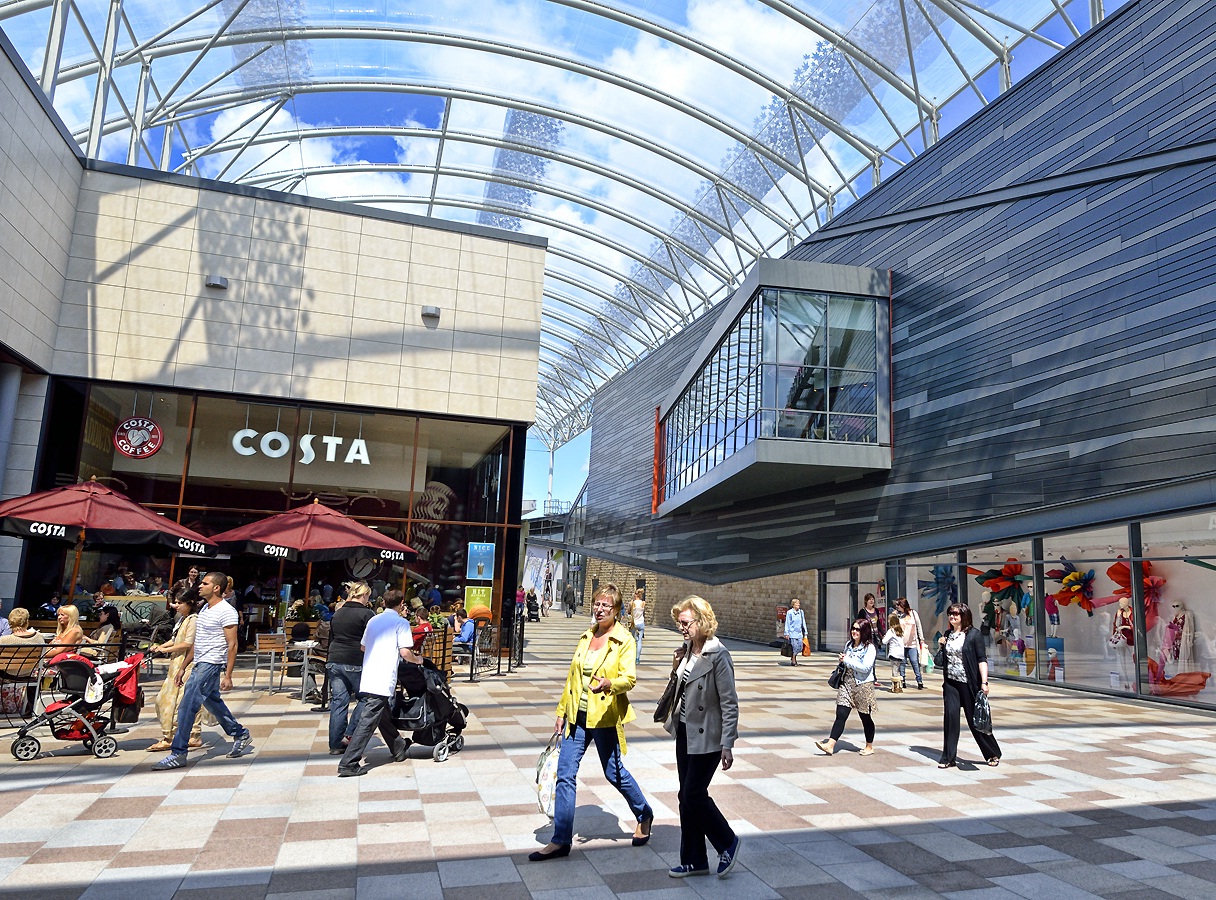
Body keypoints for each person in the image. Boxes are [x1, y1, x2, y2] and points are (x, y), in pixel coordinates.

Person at [529, 583, 653, 862]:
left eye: (605, 606)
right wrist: (561, 711)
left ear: (617, 611)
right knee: (565, 772)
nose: (599, 609)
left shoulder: (625, 640)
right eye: (596, 604)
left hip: (604, 715)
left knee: (613, 772)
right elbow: (572, 678)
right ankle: (560, 839)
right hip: (577, 716)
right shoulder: (586, 636)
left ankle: (644, 814)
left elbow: (629, 679)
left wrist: (610, 683)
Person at [665, 595, 740, 878]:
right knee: (685, 796)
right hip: (685, 731)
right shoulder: (685, 650)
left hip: (708, 734)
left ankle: (727, 842)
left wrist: (728, 743)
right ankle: (694, 860)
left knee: (693, 793)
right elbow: (679, 690)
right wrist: (675, 669)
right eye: (679, 623)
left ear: (701, 621)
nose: (681, 628)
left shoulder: (718, 656)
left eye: (685, 623)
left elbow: (729, 702)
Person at [152, 571, 253, 770]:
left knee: (186, 706)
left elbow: (232, 644)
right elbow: (197, 643)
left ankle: (178, 753)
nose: (200, 586)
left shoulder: (226, 611)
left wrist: (228, 675)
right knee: (212, 702)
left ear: (216, 588)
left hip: (211, 664)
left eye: (205, 583)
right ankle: (240, 733)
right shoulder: (205, 608)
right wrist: (183, 667)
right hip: (199, 662)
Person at [336, 591, 415, 777]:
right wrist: (417, 660)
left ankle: (398, 747)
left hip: (370, 672)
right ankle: (349, 762)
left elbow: (363, 646)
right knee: (368, 721)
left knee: (382, 715)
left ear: (383, 602)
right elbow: (405, 652)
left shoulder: (373, 620)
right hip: (384, 676)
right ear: (401, 603)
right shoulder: (401, 623)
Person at [936, 603, 1001, 769]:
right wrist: (941, 646)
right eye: (950, 613)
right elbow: (941, 660)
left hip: (969, 683)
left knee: (976, 719)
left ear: (964, 616)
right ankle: (948, 757)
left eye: (956, 614)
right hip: (951, 683)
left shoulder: (974, 635)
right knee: (950, 718)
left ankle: (992, 752)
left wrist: (984, 682)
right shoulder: (948, 634)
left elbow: (981, 659)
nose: (952, 617)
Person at [326, 580, 377, 755]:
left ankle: (335, 744)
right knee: (366, 698)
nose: (368, 600)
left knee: (338, 703)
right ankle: (348, 735)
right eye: (368, 596)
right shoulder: (367, 614)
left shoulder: (337, 613)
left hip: (334, 658)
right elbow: (372, 639)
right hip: (355, 659)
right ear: (363, 595)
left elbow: (332, 636)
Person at [148, 591, 203, 751]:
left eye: (179, 603)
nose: (176, 606)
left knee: (180, 701)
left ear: (190, 603)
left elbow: (188, 643)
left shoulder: (194, 620)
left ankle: (181, 736)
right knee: (166, 700)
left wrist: (166, 650)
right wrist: (161, 647)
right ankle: (177, 734)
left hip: (185, 664)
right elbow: (175, 639)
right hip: (176, 664)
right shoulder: (182, 620)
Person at [816, 618, 877, 756]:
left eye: (857, 629)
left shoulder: (869, 648)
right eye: (853, 629)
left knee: (865, 717)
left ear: (864, 631)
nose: (854, 631)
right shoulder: (849, 645)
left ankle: (869, 746)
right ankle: (830, 745)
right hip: (846, 684)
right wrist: (843, 660)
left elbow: (866, 668)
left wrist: (847, 660)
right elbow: (846, 663)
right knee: (841, 715)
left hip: (862, 686)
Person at [892, 596, 925, 690]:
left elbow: (918, 626)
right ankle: (903, 680)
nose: (897, 607)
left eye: (898, 605)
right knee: (902, 663)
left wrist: (921, 638)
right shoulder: (897, 615)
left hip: (912, 643)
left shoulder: (913, 613)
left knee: (914, 661)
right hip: (901, 643)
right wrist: (894, 616)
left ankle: (919, 680)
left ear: (903, 605)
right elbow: (892, 627)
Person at [880, 618, 906, 691]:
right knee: (898, 669)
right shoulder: (900, 630)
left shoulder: (891, 631)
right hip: (900, 654)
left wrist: (884, 637)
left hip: (894, 653)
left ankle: (895, 688)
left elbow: (884, 641)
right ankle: (900, 685)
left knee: (894, 671)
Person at [784, 598, 807, 667]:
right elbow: (787, 623)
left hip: (799, 633)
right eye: (797, 603)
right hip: (792, 633)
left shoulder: (801, 612)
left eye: (799, 603)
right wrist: (786, 633)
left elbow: (803, 622)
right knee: (794, 647)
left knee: (800, 647)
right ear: (793, 605)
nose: (798, 605)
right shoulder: (790, 612)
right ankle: (793, 660)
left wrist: (805, 632)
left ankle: (793, 657)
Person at [629, 588, 646, 662]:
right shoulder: (643, 603)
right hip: (641, 623)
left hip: (634, 623)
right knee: (639, 641)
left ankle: (632, 656)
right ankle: (637, 658)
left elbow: (629, 611)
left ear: (636, 595)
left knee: (632, 640)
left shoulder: (632, 603)